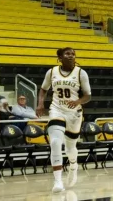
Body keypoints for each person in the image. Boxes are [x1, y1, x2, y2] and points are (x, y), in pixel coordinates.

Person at [36, 48, 92, 193]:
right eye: (67, 54)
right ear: (60, 57)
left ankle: (73, 164)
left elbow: (88, 96)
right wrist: (41, 103)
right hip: (56, 109)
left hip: (74, 113)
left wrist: (78, 101)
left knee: (70, 148)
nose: (71, 56)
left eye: (73, 54)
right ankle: (58, 181)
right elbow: (43, 89)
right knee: (55, 142)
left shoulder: (81, 73)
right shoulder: (52, 72)